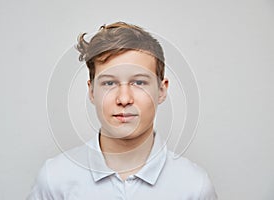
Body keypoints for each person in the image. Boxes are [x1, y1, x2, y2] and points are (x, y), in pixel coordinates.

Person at [27, 22, 218, 200]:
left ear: (161, 90)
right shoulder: (54, 179)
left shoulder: (195, 186)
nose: (124, 99)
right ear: (92, 91)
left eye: (139, 82)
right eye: (109, 83)